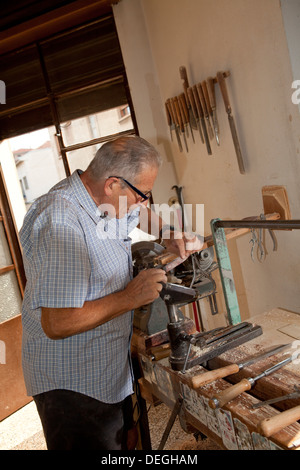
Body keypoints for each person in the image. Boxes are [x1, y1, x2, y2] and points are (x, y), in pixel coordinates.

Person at [20, 135, 201, 450]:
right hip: (72, 385)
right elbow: (57, 323)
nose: (144, 203)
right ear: (113, 184)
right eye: (143, 194)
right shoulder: (61, 220)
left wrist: (167, 232)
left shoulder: (106, 202)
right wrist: (131, 297)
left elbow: (138, 213)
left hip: (107, 370)